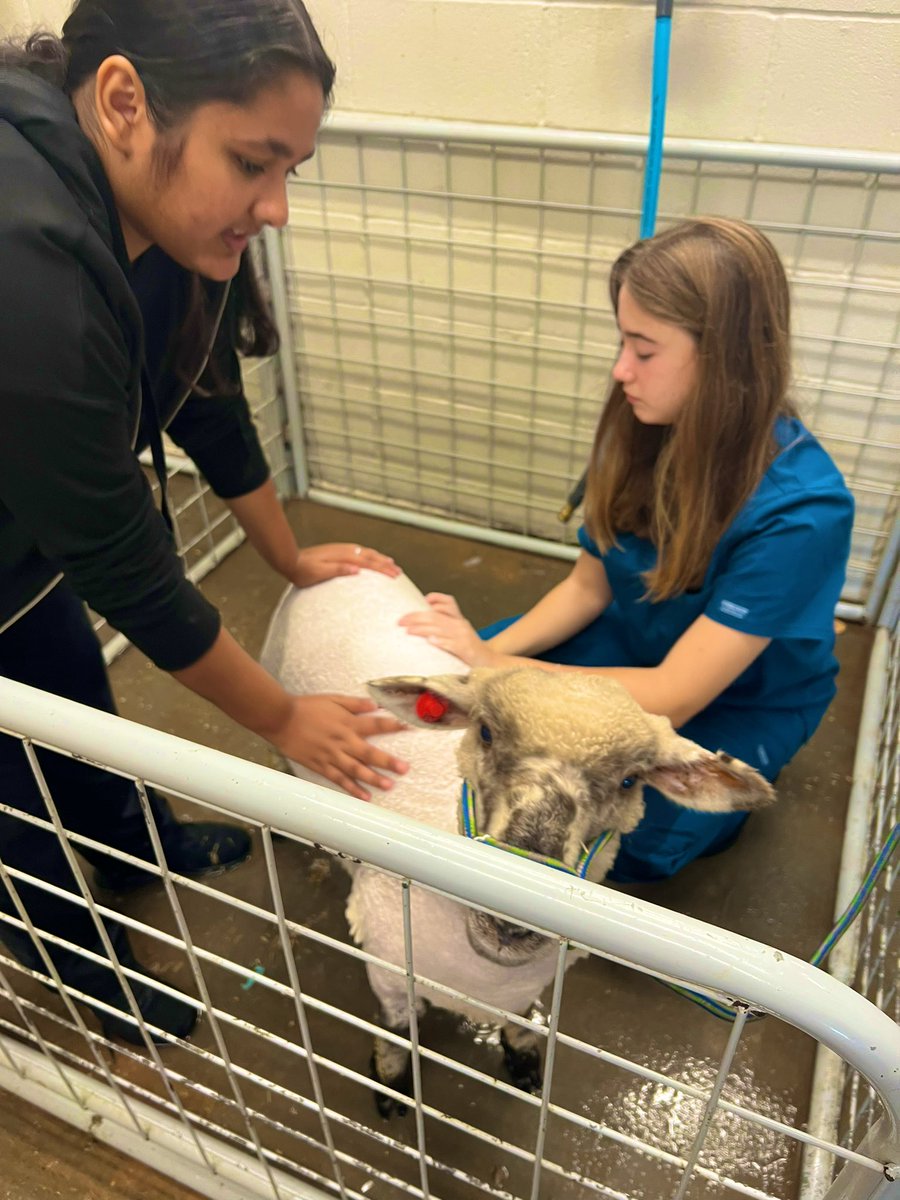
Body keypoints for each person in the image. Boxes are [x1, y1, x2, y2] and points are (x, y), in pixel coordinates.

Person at [0, 0, 410, 1044]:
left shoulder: (160, 217)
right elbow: (125, 564)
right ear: (125, 100)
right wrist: (281, 718)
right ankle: (82, 965)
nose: (276, 207)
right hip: (32, 521)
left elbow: (204, 391)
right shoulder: (28, 265)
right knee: (11, 792)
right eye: (252, 162)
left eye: (292, 172)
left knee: (74, 692)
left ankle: (138, 841)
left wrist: (286, 553)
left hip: (25, 537)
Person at [400, 217, 854, 884]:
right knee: (448, 703)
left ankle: (726, 812)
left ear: (727, 360)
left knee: (631, 836)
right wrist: (482, 659)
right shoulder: (644, 425)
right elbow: (589, 588)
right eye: (623, 342)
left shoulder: (803, 511)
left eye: (644, 350)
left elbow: (677, 693)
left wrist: (497, 662)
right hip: (634, 639)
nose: (621, 370)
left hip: (736, 697)